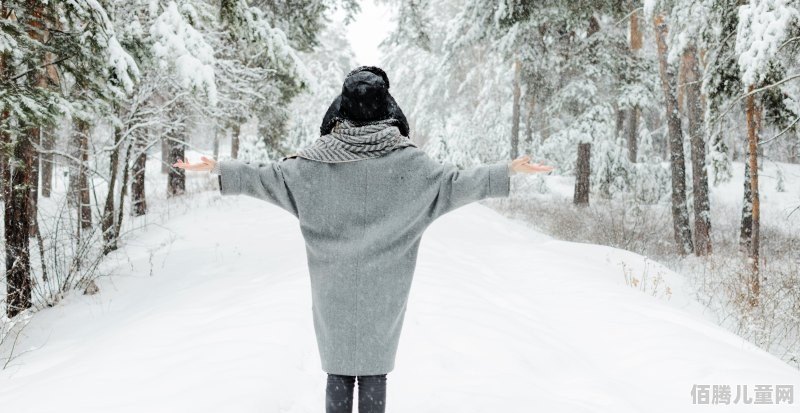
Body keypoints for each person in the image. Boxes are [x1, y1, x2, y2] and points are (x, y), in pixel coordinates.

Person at [173, 66, 553, 413]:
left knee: (337, 373)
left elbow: (264, 176)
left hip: (333, 290)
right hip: (383, 294)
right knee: (374, 373)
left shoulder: (311, 164)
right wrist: (506, 170)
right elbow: (457, 183)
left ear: (341, 108)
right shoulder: (412, 165)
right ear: (387, 107)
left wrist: (220, 168)